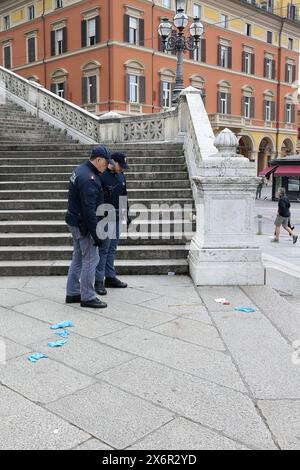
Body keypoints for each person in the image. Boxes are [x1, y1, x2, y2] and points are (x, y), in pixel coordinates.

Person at [65, 145, 112, 309]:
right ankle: (88, 296)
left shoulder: (81, 170)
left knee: (78, 258)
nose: (107, 167)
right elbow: (89, 211)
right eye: (106, 163)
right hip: (84, 225)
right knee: (91, 259)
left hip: (74, 221)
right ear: (98, 160)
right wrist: (97, 234)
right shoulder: (89, 178)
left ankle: (72, 293)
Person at [95, 152, 130, 296]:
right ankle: (98, 281)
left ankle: (110, 277)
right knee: (103, 249)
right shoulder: (101, 175)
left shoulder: (121, 176)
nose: (122, 169)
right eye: (120, 165)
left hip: (117, 217)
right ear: (113, 162)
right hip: (104, 217)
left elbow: (124, 195)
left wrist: (127, 214)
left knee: (112, 248)